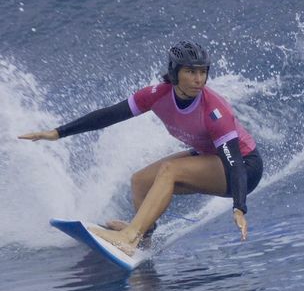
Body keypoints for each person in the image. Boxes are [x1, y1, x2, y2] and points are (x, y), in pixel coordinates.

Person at [19, 41, 263, 255]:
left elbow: (234, 163)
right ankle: (143, 236)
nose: (199, 79)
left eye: (203, 72)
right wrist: (58, 132)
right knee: (140, 181)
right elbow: (110, 115)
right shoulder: (157, 95)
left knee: (170, 169)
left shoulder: (214, 111)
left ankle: (129, 237)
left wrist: (239, 207)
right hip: (211, 158)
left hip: (243, 167)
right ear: (175, 72)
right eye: (191, 72)